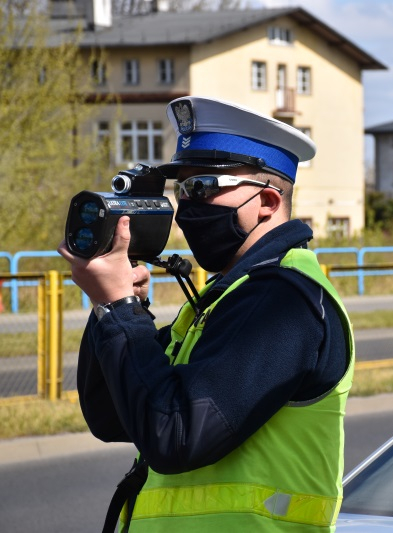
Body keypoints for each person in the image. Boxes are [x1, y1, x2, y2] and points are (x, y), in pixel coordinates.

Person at [58, 96, 354, 532]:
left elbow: (174, 435)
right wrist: (114, 306)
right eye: (182, 189)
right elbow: (111, 415)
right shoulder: (223, 300)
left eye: (203, 188)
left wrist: (120, 309)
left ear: (268, 202)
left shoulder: (285, 301)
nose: (186, 207)